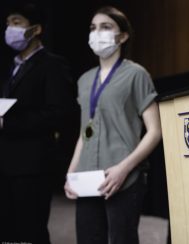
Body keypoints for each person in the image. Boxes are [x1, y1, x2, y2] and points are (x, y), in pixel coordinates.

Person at [64, 6, 162, 244]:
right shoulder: (84, 80)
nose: (97, 33)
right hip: (87, 178)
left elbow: (155, 131)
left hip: (123, 178)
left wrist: (124, 168)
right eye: (93, 28)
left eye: (106, 27)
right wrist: (71, 172)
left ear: (123, 36)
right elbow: (83, 133)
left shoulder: (137, 74)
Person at [0, 2, 77, 244]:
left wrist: (7, 124)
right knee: (7, 231)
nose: (9, 29)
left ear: (36, 29)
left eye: (16, 23)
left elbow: (59, 113)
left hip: (32, 165)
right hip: (6, 164)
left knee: (30, 231)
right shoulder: (12, 67)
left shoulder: (52, 64)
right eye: (7, 23)